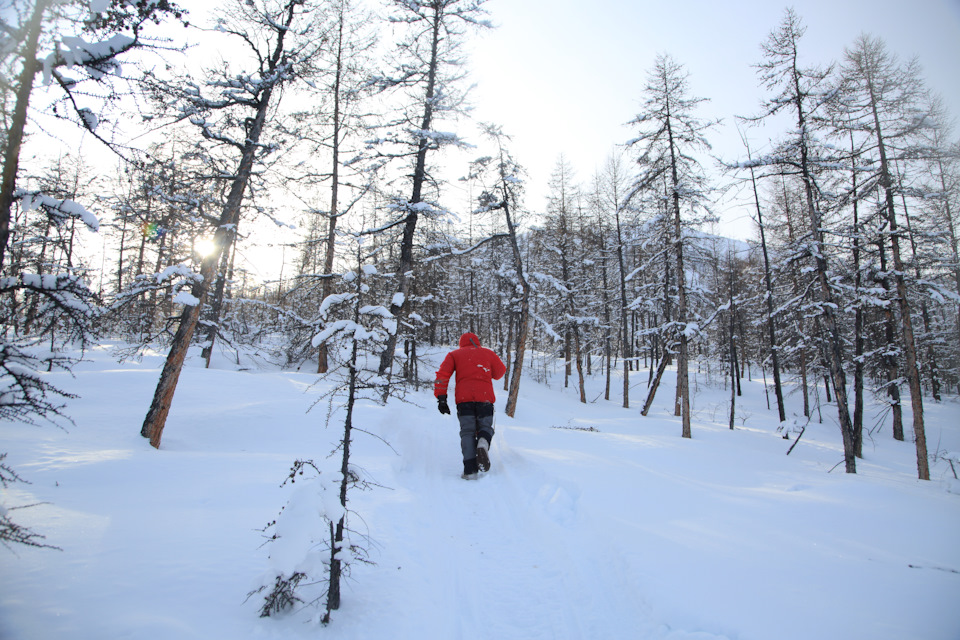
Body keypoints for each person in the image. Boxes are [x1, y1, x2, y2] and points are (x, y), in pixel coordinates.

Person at [434, 332, 506, 479]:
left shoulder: (454, 355)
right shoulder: (488, 353)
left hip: (464, 400)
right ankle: (483, 442)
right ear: (477, 341)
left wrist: (442, 398)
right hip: (485, 398)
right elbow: (499, 373)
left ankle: (470, 470)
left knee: (467, 432)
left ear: (461, 343)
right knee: (485, 427)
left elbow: (442, 375)